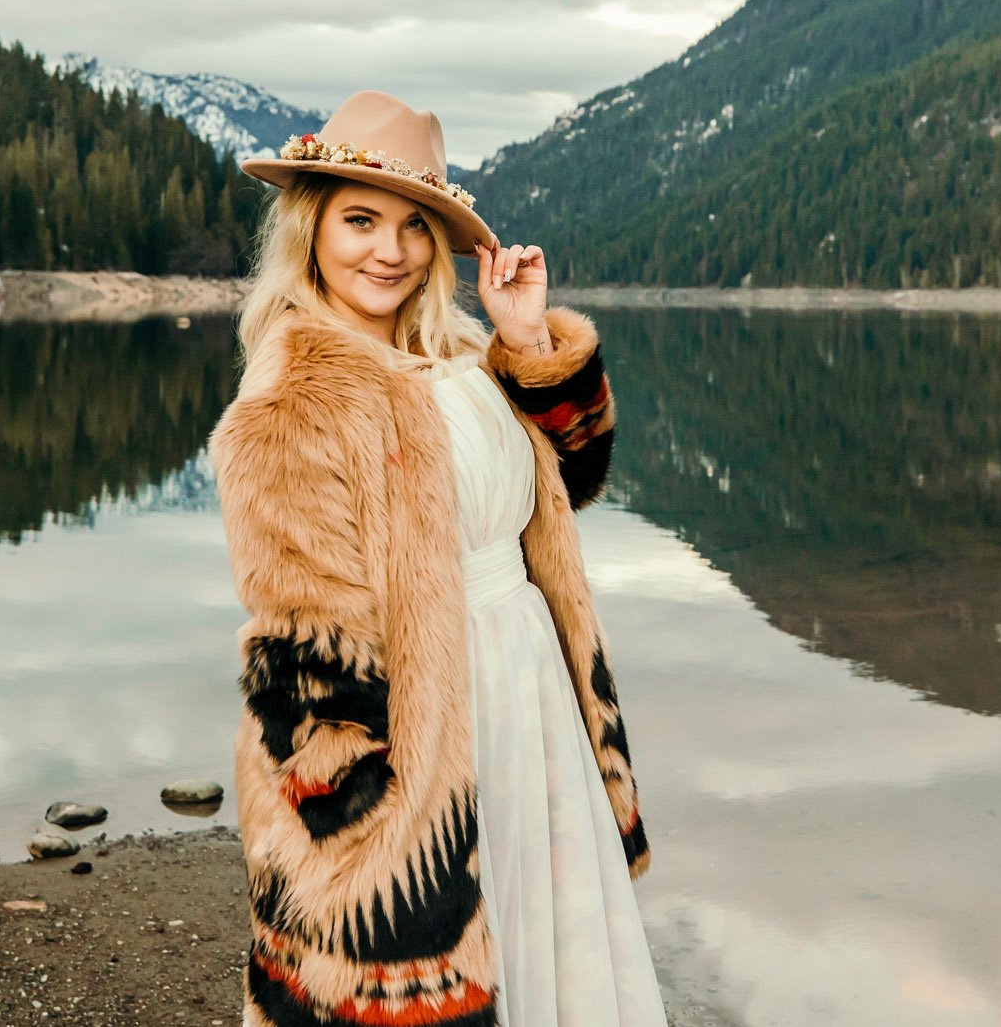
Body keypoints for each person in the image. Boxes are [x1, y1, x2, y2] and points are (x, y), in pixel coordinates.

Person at [210, 90, 669, 1026]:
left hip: (524, 687)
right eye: (361, 221)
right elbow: (301, 634)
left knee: (544, 950)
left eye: (415, 226)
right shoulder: (297, 388)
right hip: (416, 731)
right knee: (430, 969)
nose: (390, 249)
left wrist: (528, 337)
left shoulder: (460, 352)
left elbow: (574, 478)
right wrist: (359, 817)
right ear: (310, 230)